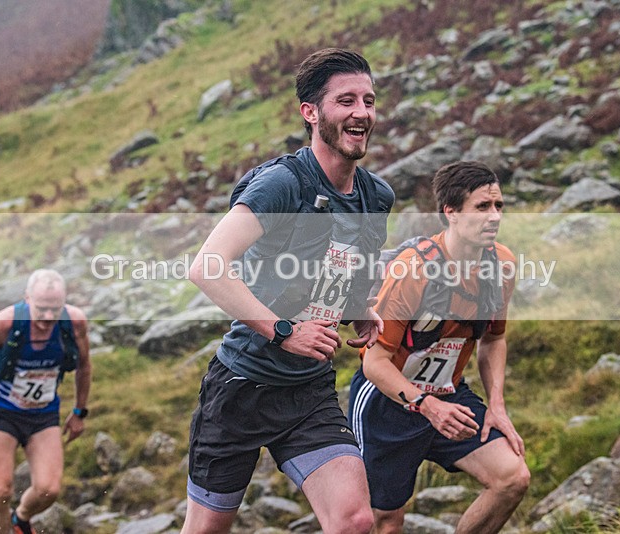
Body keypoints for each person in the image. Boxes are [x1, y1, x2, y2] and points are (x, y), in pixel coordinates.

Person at [183, 48, 394, 534]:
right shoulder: (282, 184)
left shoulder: (376, 196)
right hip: (242, 387)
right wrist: (284, 332)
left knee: (355, 521)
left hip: (308, 390)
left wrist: (358, 308)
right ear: (311, 112)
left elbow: (341, 262)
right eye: (346, 101)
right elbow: (207, 267)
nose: (362, 113)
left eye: (368, 101)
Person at [349, 161, 530, 534]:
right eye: (482, 207)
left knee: (512, 478)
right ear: (451, 212)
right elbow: (375, 363)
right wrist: (427, 407)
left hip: (449, 394)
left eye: (499, 206)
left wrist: (497, 406)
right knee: (386, 522)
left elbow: (494, 339)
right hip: (388, 401)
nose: (494, 216)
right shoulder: (413, 270)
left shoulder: (502, 265)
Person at [0, 269, 91, 534]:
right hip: (2, 410)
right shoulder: (5, 323)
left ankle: (21, 518)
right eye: (41, 309)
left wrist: (79, 412)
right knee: (0, 490)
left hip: (43, 413)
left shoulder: (74, 323)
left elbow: (84, 366)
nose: (48, 317)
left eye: (55, 309)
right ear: (27, 299)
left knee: (49, 489)